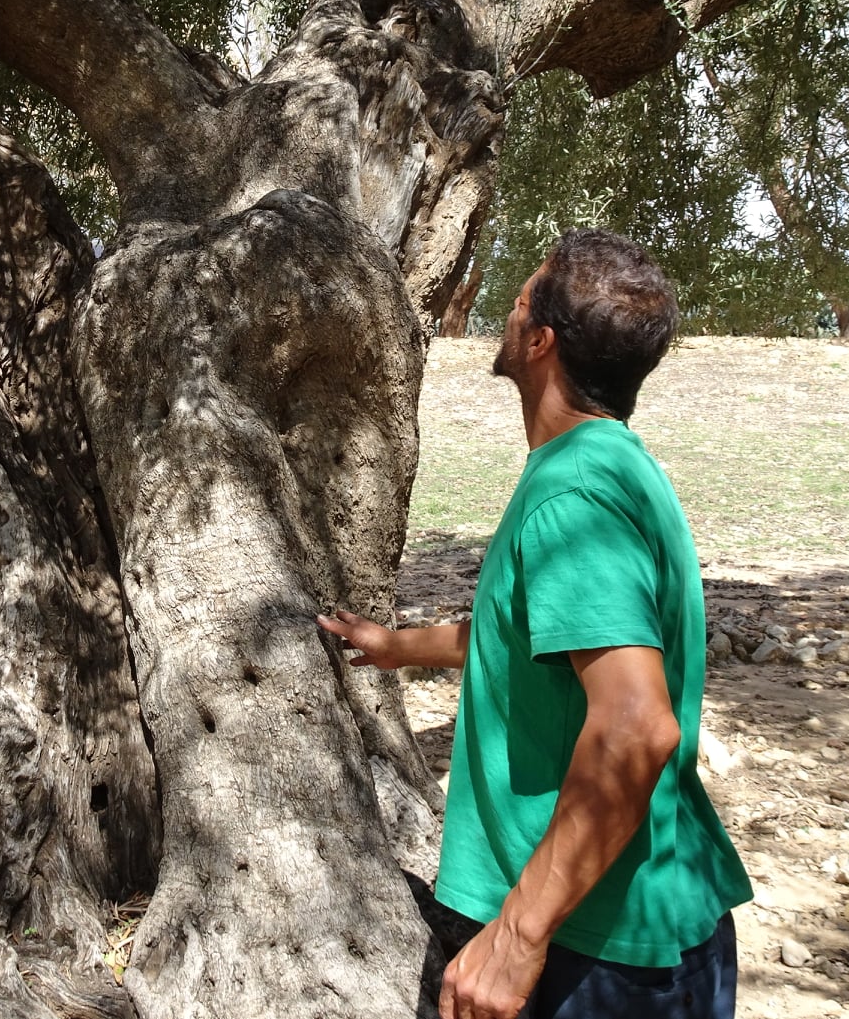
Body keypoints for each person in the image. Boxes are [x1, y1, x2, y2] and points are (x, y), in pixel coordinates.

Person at [319, 229, 752, 1019]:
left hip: (599, 950)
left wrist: (518, 934)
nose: (505, 317)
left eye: (516, 303)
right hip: (640, 927)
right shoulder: (614, 464)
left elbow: (634, 724)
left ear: (541, 340)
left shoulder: (573, 494)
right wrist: (393, 647)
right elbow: (531, 640)